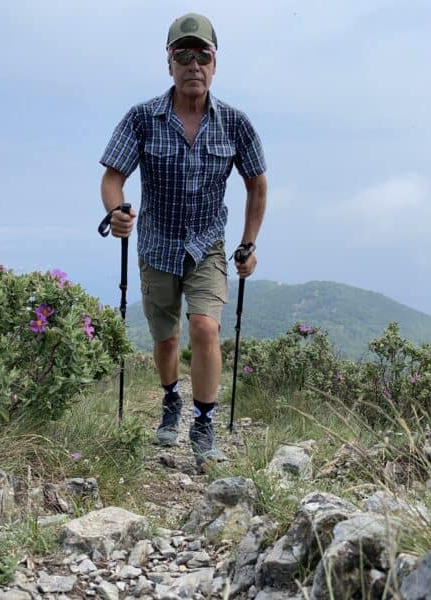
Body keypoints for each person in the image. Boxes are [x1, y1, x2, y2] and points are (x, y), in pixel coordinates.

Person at [99, 13, 267, 468]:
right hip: (156, 244)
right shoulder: (142, 118)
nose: (193, 64)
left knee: (205, 327)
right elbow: (113, 177)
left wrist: (248, 244)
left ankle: (203, 420)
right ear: (169, 63)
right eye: (183, 55)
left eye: (202, 55)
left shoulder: (235, 123)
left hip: (208, 245)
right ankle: (171, 397)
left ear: (215, 63)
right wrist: (115, 211)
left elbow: (257, 184)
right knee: (166, 339)